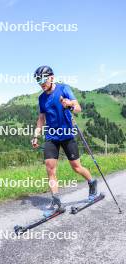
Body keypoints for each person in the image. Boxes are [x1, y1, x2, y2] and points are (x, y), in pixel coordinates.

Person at [31, 65, 98, 217]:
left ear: (51, 77)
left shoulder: (64, 89)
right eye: (38, 80)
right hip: (51, 136)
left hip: (67, 135)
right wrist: (36, 135)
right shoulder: (41, 98)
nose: (41, 82)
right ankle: (56, 202)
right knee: (50, 168)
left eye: (43, 79)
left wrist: (69, 104)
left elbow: (78, 108)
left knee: (76, 167)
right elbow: (41, 118)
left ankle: (92, 182)